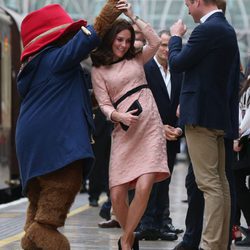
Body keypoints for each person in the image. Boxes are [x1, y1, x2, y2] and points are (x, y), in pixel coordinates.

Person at [15, 1, 124, 249]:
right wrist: (109, 12)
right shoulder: (54, 58)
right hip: (55, 146)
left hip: (32, 147)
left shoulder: (39, 66)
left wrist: (104, 99)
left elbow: (71, 97)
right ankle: (41, 235)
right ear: (56, 37)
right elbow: (87, 40)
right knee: (50, 213)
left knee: (38, 206)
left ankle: (31, 237)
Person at [91, 2, 170, 249]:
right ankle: (130, 235)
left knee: (145, 185)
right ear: (111, 39)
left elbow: (155, 42)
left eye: (128, 40)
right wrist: (118, 116)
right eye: (120, 40)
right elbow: (103, 104)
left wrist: (132, 16)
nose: (124, 45)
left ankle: (126, 241)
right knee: (117, 194)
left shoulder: (137, 58)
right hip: (124, 128)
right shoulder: (99, 68)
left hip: (149, 125)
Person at [168, 0, 240, 249]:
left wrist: (175, 38)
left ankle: (210, 244)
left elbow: (177, 63)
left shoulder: (207, 29)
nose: (187, 8)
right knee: (220, 183)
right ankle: (218, 244)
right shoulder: (226, 29)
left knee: (209, 184)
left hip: (201, 118)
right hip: (217, 116)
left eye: (188, 3)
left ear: (198, 1)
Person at [135, 30, 183, 241]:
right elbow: (140, 102)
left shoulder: (180, 71)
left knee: (166, 180)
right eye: (162, 45)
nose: (165, 49)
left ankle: (163, 221)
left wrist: (179, 128)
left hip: (173, 135)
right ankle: (147, 223)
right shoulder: (145, 69)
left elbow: (184, 102)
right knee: (149, 181)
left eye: (169, 45)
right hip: (149, 134)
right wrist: (158, 126)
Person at [232, 74, 250, 247]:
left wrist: (238, 134)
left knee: (236, 180)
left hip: (244, 138)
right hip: (244, 139)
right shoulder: (244, 85)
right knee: (235, 181)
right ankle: (234, 230)